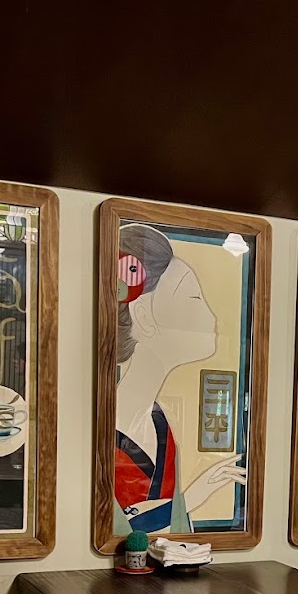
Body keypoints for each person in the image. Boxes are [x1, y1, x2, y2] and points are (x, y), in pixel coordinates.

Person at [113, 224, 246, 535]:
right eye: (194, 297)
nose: (211, 316)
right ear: (144, 315)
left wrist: (195, 493)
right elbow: (121, 528)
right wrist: (190, 497)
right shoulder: (107, 428)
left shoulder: (158, 422)